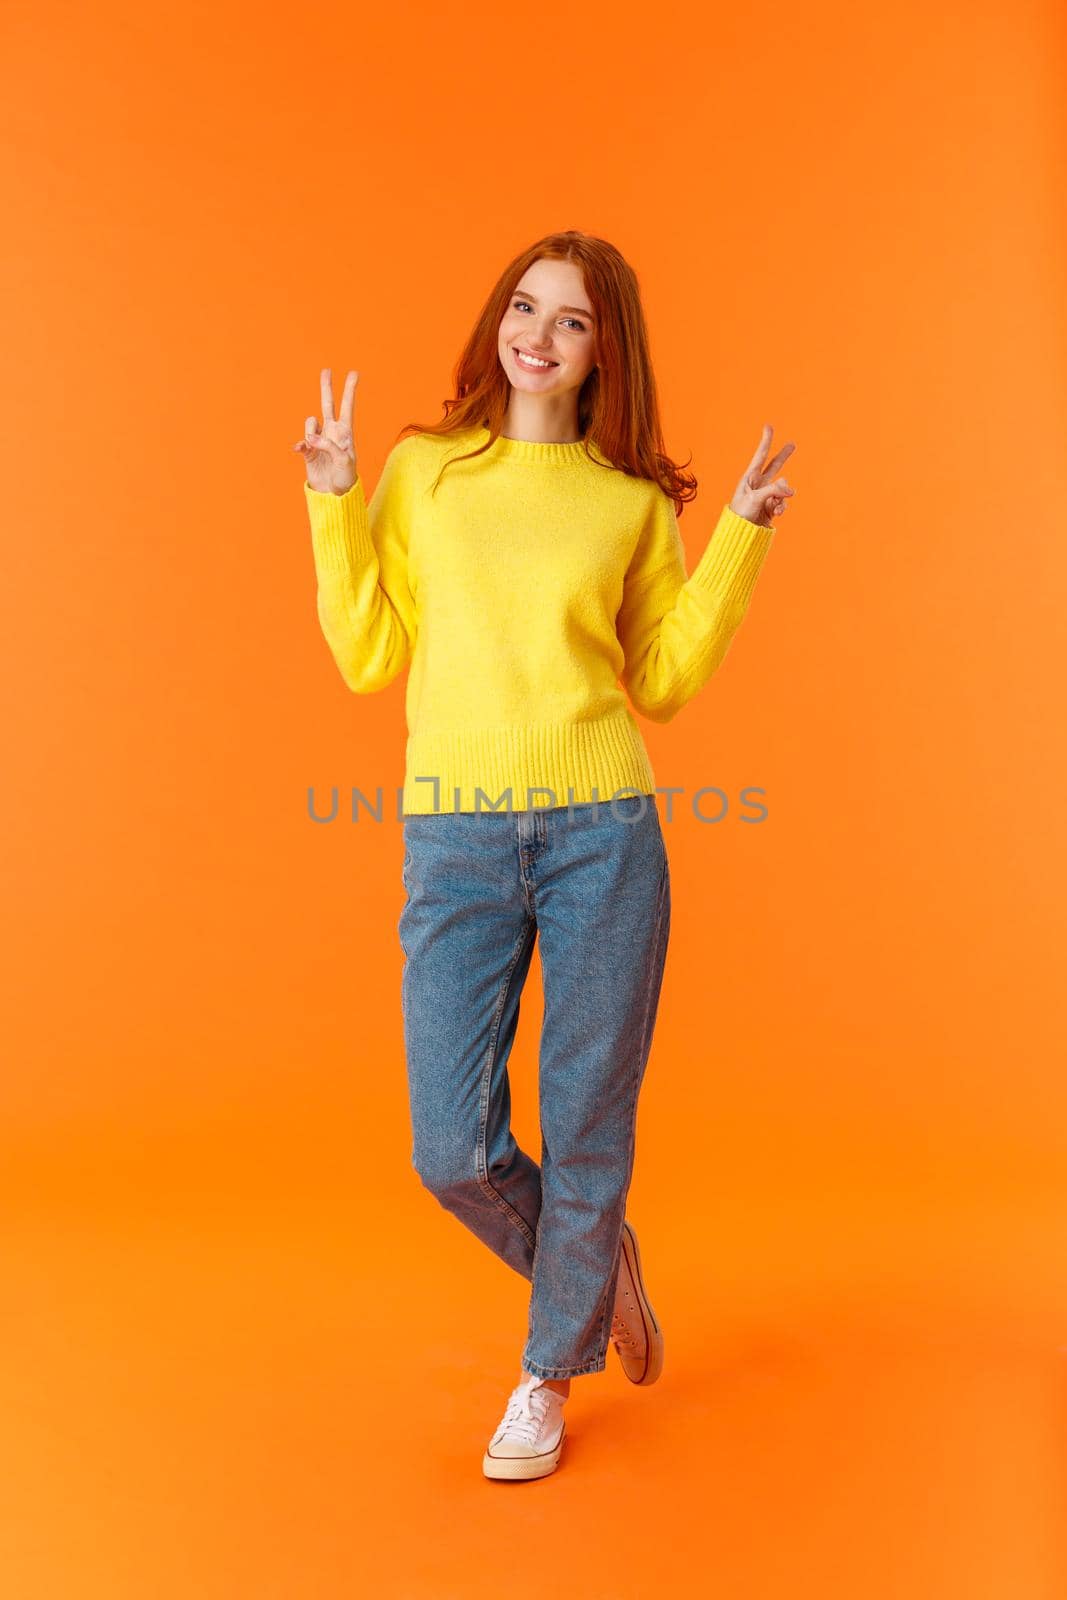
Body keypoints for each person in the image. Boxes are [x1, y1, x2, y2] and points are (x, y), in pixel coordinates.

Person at [294, 230, 797, 1482]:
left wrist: (736, 532)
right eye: (525, 307)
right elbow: (367, 653)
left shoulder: (628, 505)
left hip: (602, 839)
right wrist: (331, 500)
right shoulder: (422, 471)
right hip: (456, 836)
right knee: (449, 1148)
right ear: (497, 319)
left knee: (586, 1127)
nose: (538, 334)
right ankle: (595, 1264)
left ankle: (544, 1372)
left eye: (570, 321)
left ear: (601, 353)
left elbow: (664, 682)